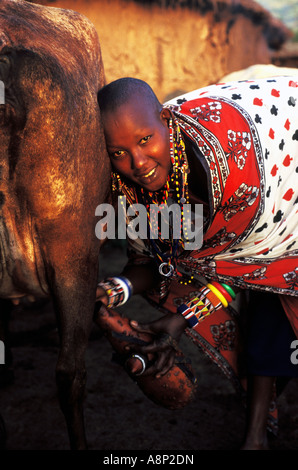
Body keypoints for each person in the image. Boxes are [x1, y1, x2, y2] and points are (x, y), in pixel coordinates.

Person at [95, 77, 298, 449]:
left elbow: (245, 266)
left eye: (145, 140)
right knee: (264, 339)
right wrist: (109, 292)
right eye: (117, 153)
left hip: (287, 197)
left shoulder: (232, 174)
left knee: (273, 319)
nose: (138, 163)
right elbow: (157, 261)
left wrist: (181, 319)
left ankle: (256, 433)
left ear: (167, 122)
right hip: (250, 243)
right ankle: (256, 433)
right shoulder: (134, 189)